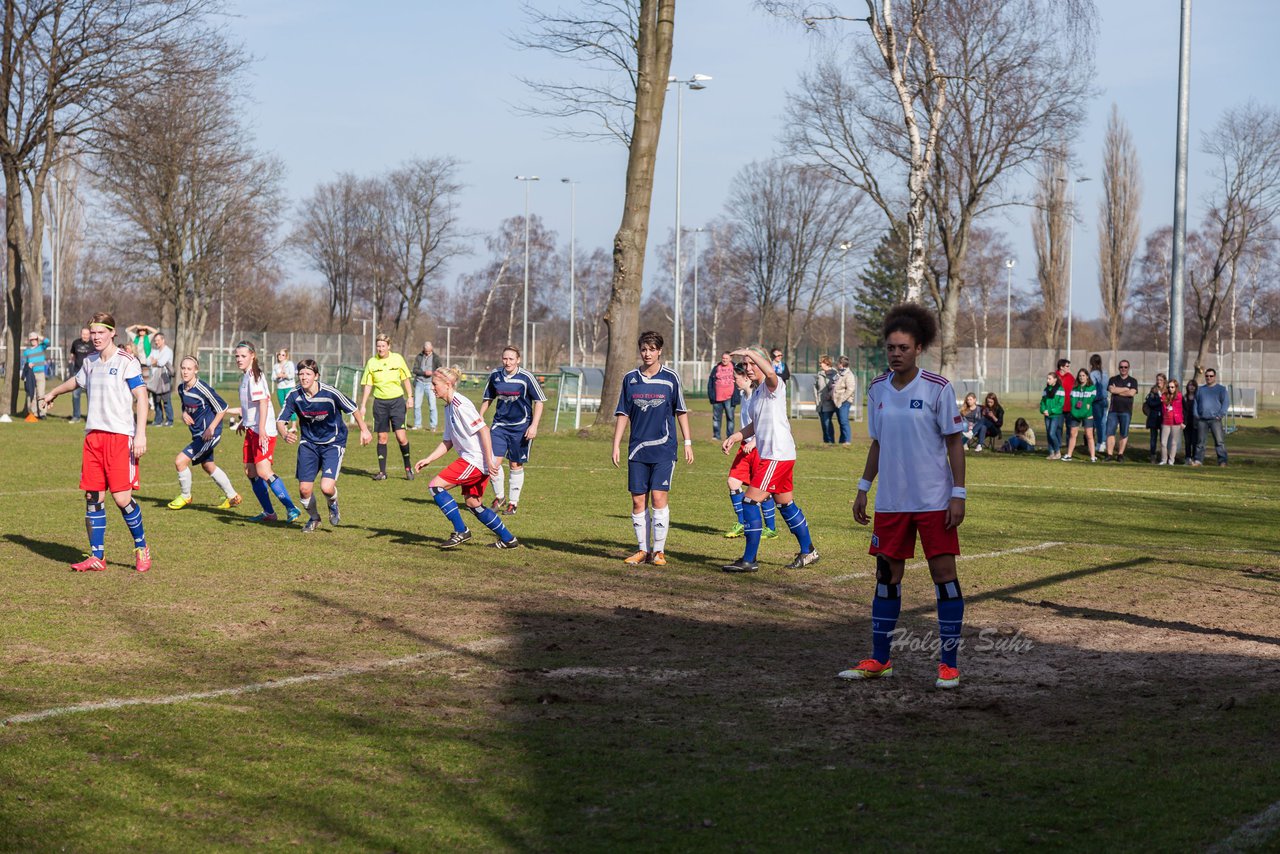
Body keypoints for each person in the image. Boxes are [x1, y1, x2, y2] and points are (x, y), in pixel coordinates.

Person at [839, 303, 967, 689]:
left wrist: (958, 494)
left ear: (918, 349)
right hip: (891, 502)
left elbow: (955, 443)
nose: (896, 353)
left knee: (943, 576)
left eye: (903, 348)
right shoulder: (877, 389)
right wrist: (863, 488)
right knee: (885, 577)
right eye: (891, 347)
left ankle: (948, 664)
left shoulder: (938, 388)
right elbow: (877, 444)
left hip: (933, 500)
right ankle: (880, 659)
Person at [40, 313, 152, 572]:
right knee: (93, 496)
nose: (96, 337)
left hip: (120, 438)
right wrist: (53, 392)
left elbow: (142, 397)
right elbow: (76, 381)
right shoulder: (90, 361)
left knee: (123, 499)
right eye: (93, 332)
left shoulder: (127, 361)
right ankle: (97, 556)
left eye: (101, 332)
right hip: (93, 438)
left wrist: (141, 434)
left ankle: (141, 546)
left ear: (113, 333)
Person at [721, 347, 819, 573]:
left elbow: (772, 373)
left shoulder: (774, 386)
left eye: (751, 363)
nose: (748, 368)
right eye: (745, 364)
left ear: (761, 361)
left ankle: (749, 559)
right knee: (785, 504)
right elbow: (756, 425)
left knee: (749, 502)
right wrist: (736, 436)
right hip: (777, 455)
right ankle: (808, 551)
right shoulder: (757, 394)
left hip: (777, 455)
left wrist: (750, 352)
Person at [611, 331, 695, 567]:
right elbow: (623, 413)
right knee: (638, 501)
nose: (647, 354)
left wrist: (688, 442)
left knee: (658, 498)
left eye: (652, 349)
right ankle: (641, 550)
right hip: (637, 449)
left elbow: (681, 411)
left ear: (659, 351)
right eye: (644, 349)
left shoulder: (671, 378)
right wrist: (616, 443)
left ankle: (658, 551)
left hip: (664, 449)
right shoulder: (630, 379)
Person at [414, 365, 520, 549]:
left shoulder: (460, 404)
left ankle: (461, 530)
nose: (432, 388)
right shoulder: (448, 407)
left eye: (435, 384)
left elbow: (484, 430)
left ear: (447, 384)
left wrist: (488, 460)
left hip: (475, 460)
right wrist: (429, 459)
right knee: (473, 503)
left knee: (435, 487)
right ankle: (508, 539)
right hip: (475, 461)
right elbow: (448, 441)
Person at [278, 359, 372, 533]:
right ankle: (314, 518)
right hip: (309, 443)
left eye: (308, 374)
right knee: (304, 489)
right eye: (301, 374)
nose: (304, 377)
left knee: (326, 488)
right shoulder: (294, 395)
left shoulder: (330, 393)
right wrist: (285, 434)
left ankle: (333, 503)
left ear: (316, 376)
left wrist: (364, 430)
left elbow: (353, 408)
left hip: (333, 442)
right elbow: (280, 420)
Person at [227, 341, 300, 523]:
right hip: (252, 429)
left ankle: (292, 508)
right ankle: (269, 513)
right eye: (237, 356)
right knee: (250, 471)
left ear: (253, 356)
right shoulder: (246, 376)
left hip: (263, 430)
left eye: (243, 356)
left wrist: (261, 429)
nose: (239, 359)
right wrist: (245, 421)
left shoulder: (255, 376)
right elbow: (250, 405)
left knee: (264, 471)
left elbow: (263, 403)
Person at [167, 355, 242, 511]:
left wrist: (211, 428)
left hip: (209, 434)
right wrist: (184, 413)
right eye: (183, 368)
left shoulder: (203, 389)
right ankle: (233, 496)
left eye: (189, 368)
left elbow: (222, 408)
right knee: (208, 465)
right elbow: (185, 405)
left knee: (180, 461)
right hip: (198, 433)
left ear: (196, 370)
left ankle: (186, 496)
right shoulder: (182, 388)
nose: (185, 371)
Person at [480, 346, 547, 514]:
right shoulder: (495, 375)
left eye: (511, 359)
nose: (507, 362)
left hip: (521, 427)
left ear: (518, 360)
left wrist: (534, 426)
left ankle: (513, 503)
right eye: (505, 358)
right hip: (500, 426)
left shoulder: (526, 377)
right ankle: (499, 496)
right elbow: (488, 398)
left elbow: (539, 401)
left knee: (515, 464)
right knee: (493, 462)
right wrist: (479, 417)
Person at [723, 361, 779, 541]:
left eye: (736, 378)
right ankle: (742, 523)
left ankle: (770, 528)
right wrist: (733, 438)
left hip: (758, 448)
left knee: (762, 490)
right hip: (744, 447)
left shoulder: (760, 395)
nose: (734, 381)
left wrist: (754, 442)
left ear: (747, 379)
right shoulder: (744, 395)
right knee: (733, 482)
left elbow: (763, 424)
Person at [360, 333, 414, 481]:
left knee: (401, 437)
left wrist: (410, 397)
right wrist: (363, 405)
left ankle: (408, 468)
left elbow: (406, 379)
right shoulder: (372, 362)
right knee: (382, 438)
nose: (380, 348)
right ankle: (382, 472)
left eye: (383, 346)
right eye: (378, 346)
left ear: (389, 346)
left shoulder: (397, 359)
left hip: (397, 402)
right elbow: (368, 385)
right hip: (380, 404)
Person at [1103, 359, 1139, 462]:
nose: (1123, 369)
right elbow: (1111, 390)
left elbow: (1131, 393)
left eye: (1125, 367)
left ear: (1128, 368)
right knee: (1110, 433)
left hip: (1126, 411)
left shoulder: (1133, 381)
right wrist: (1125, 389)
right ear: (1119, 368)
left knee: (1124, 433)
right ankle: (1109, 455)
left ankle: (1120, 454)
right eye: (1121, 367)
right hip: (1113, 411)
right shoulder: (1113, 379)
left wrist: (1117, 390)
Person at [1194, 367, 1230, 467]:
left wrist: (1220, 415)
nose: (1208, 378)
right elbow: (1195, 403)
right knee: (1200, 442)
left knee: (1219, 441)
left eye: (1211, 376)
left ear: (1215, 377)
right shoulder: (1201, 390)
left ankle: (1222, 461)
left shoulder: (1221, 389)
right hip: (1202, 420)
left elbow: (1225, 403)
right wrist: (1196, 415)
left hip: (1215, 420)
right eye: (1207, 376)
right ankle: (1198, 461)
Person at [1064, 368, 1097, 462]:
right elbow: (1072, 400)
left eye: (1083, 375)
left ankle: (1093, 457)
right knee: (1072, 434)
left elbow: (1091, 399)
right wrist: (1074, 410)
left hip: (1087, 414)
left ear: (1087, 377)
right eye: (1080, 376)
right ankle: (1069, 455)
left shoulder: (1092, 388)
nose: (1081, 377)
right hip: (1076, 414)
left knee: (1089, 435)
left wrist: (1086, 406)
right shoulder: (1074, 388)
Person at [707, 351, 739, 442]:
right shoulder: (716, 368)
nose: (724, 360)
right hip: (717, 397)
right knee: (716, 418)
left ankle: (730, 437)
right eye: (723, 358)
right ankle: (716, 436)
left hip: (730, 397)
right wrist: (711, 395)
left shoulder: (735, 367)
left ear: (730, 359)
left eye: (726, 358)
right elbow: (710, 382)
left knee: (730, 418)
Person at [147, 332, 174, 426]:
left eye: (158, 340)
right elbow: (148, 362)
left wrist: (155, 361)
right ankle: (158, 420)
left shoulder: (168, 351)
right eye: (155, 341)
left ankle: (169, 421)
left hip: (164, 378)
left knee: (166, 400)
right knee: (156, 400)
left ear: (163, 340)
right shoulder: (154, 351)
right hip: (155, 378)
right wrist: (154, 362)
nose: (156, 342)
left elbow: (162, 363)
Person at [21, 332, 51, 418]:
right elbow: (23, 363)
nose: (33, 341)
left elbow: (48, 342)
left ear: (37, 339)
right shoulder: (27, 351)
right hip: (31, 375)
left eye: (34, 339)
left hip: (40, 374)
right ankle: (34, 413)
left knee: (41, 394)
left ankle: (42, 413)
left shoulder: (41, 347)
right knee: (32, 394)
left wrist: (40, 337)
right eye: (32, 340)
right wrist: (28, 364)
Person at [67, 327, 94, 423]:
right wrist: (71, 363)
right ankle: (76, 416)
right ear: (80, 334)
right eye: (83, 334)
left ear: (89, 334)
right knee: (75, 395)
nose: (85, 336)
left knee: (91, 396)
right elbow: (72, 354)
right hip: (77, 372)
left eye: (87, 334)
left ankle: (91, 418)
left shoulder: (93, 344)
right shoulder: (75, 343)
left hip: (91, 373)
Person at [412, 341, 440, 431]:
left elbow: (440, 370)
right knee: (417, 405)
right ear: (423, 349)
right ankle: (417, 424)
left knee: (432, 405)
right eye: (426, 351)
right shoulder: (419, 357)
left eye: (429, 351)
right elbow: (415, 370)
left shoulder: (436, 358)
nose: (427, 352)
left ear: (432, 348)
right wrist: (424, 372)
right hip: (419, 382)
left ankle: (433, 426)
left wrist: (432, 373)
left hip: (430, 383)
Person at [1039, 372, 1065, 460]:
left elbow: (1060, 404)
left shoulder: (1060, 390)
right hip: (1047, 415)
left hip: (1055, 415)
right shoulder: (1046, 390)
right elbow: (1042, 401)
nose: (1048, 380)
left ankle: (1057, 451)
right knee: (1048, 434)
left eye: (1050, 378)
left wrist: (1050, 411)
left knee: (1051, 433)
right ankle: (1051, 453)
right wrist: (1043, 410)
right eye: (1047, 378)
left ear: (1055, 379)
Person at [1159, 378, 1184, 465]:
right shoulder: (1164, 396)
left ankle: (1171, 460)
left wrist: (1182, 422)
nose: (1170, 389)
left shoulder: (1180, 396)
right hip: (1165, 422)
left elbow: (1182, 409)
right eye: (1169, 387)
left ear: (1176, 387)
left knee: (1174, 442)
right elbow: (1163, 406)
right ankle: (1164, 459)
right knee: (1163, 442)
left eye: (1172, 387)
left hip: (1176, 422)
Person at [833, 356, 858, 444]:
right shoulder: (839, 373)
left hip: (845, 401)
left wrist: (842, 399)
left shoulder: (849, 375)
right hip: (837, 401)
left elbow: (850, 389)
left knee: (844, 421)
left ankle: (847, 441)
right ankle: (842, 440)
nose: (837, 365)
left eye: (838, 363)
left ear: (842, 364)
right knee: (840, 421)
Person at [1143, 373, 1167, 463]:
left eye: (1161, 380)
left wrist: (1160, 402)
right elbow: (1150, 403)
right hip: (1153, 417)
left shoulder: (1167, 391)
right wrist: (1160, 401)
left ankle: (1163, 457)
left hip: (1164, 418)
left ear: (1164, 381)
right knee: (1153, 438)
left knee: (1163, 439)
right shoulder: (1153, 390)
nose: (1159, 382)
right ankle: (1153, 456)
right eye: (1157, 380)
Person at [815, 355, 838, 444]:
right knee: (823, 423)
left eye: (821, 362)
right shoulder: (819, 374)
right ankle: (825, 441)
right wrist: (816, 397)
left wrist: (829, 395)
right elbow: (815, 386)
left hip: (829, 402)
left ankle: (831, 441)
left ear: (826, 363)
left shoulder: (834, 373)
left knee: (827, 422)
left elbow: (835, 386)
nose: (820, 364)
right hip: (820, 402)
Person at [1088, 354, 1109, 438]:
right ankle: (1103, 441)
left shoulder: (1092, 374)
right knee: (1103, 421)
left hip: (1096, 401)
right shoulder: (1105, 373)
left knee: (1097, 422)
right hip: (1105, 399)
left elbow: (1091, 387)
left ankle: (1099, 442)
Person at [272, 347, 297, 412]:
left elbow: (292, 375)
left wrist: (284, 375)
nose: (280, 356)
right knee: (282, 405)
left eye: (283, 355)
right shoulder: (276, 366)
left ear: (286, 356)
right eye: (279, 354)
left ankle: (293, 421)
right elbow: (273, 377)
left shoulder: (290, 364)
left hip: (289, 386)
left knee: (290, 404)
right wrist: (278, 376)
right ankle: (285, 420)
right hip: (280, 387)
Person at [1181, 379, 1199, 467]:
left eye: (1193, 385)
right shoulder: (1184, 397)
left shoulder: (1198, 397)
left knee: (1194, 442)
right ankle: (1187, 458)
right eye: (1190, 385)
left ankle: (1194, 458)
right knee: (1187, 442)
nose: (1191, 387)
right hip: (1186, 422)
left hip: (1195, 423)